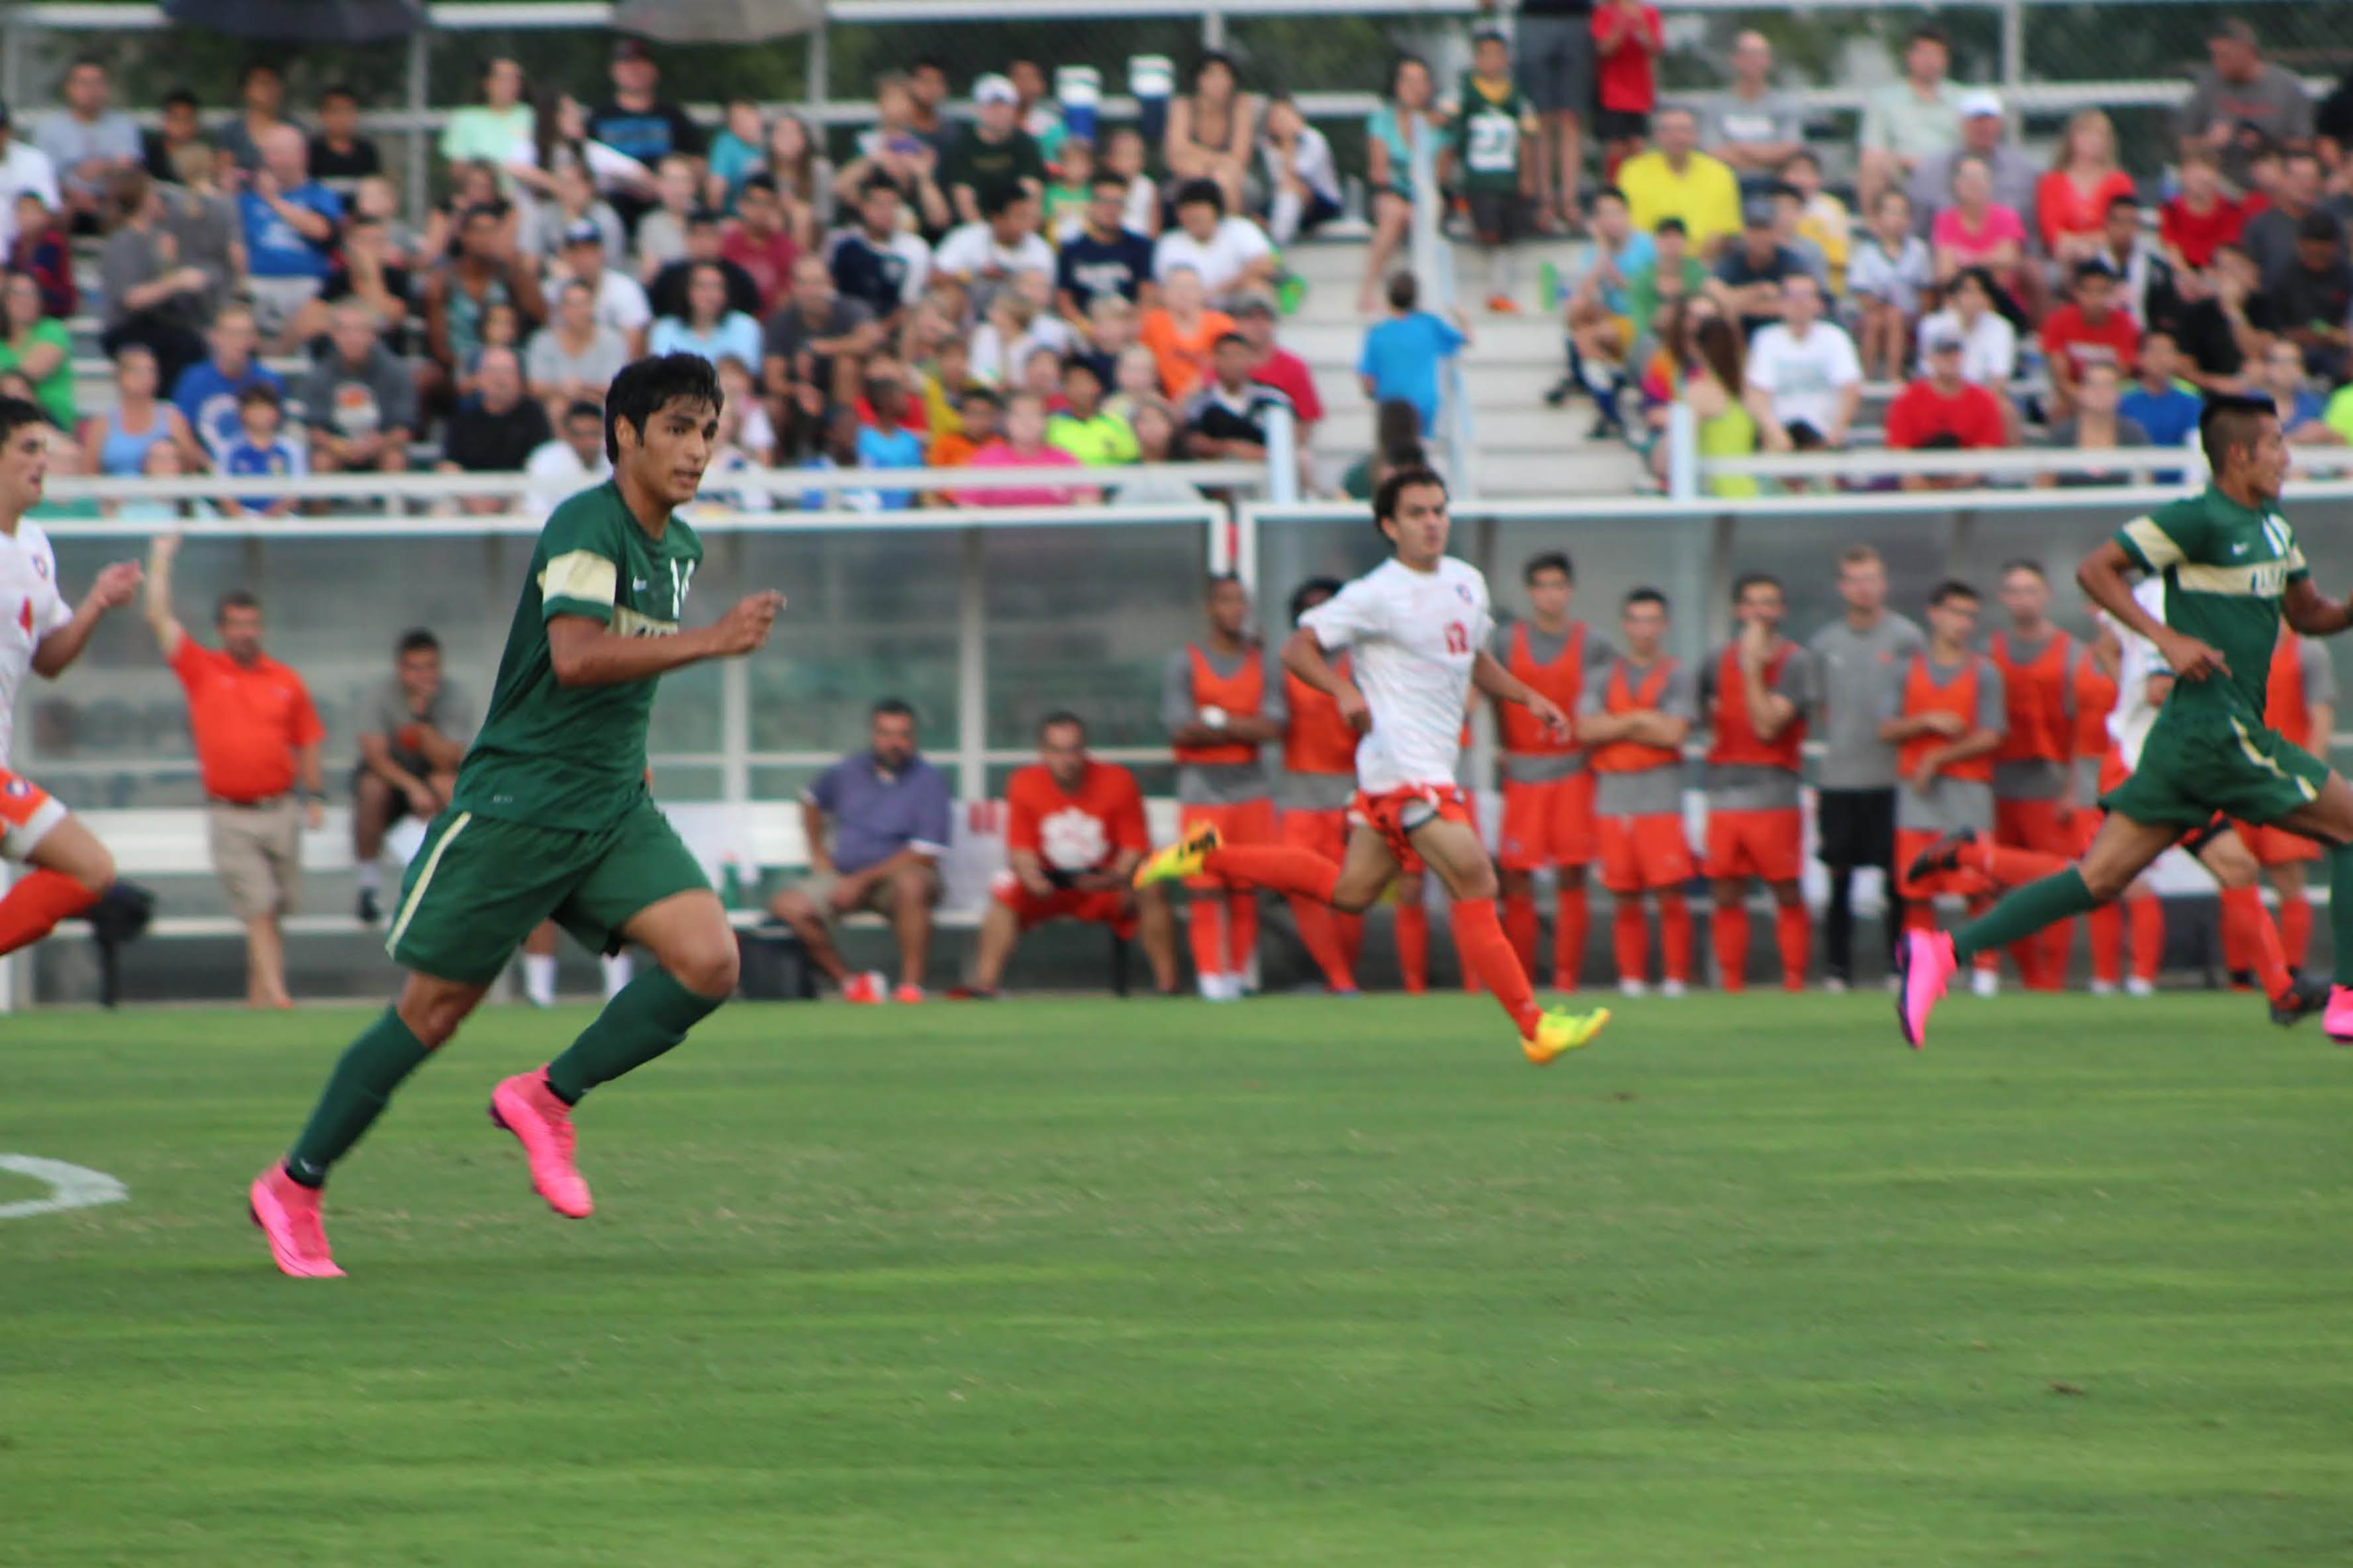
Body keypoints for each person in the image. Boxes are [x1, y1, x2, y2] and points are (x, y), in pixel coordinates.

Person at [247, 354, 785, 1280]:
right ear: (626, 433)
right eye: (678, 429)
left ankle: (546, 1095)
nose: (697, 449)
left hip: (610, 804)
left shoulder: (680, 547)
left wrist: (637, 752)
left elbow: (625, 674)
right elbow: (575, 657)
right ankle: (294, 1184)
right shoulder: (586, 521)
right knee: (433, 1014)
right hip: (518, 804)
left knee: (709, 959)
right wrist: (714, 642)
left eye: (708, 430)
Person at [1896, 395, 2353, 1045]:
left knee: (2098, 877)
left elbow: (2308, 615)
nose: (2286, 456)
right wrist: (2163, 636)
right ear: (2236, 454)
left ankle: (1939, 951)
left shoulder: (2274, 526)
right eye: (2275, 444)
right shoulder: (2195, 518)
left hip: (2186, 742)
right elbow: (2094, 569)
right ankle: (2344, 999)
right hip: (2217, 731)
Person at [1133, 469, 1609, 1059]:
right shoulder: (1374, 593)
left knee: (1350, 891)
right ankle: (1535, 1027)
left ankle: (1209, 853)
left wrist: (1525, 695)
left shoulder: (1466, 582)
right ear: (1389, 525)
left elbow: (1471, 656)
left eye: (1439, 509)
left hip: (1426, 765)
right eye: (1417, 512)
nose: (1432, 521)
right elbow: (1296, 647)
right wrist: (1342, 690)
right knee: (1476, 878)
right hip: (1401, 768)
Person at [143, 535, 323, 1009]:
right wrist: (160, 559)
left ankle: (258, 999)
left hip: (279, 806)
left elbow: (308, 738)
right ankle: (281, 997)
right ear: (222, 630)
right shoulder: (203, 669)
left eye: (253, 624)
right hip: (231, 812)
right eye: (237, 625)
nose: (246, 633)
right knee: (259, 906)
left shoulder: (285, 679)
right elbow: (159, 619)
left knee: (274, 910)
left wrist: (316, 795)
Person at [0, 397, 140, 967]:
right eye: (28, 449)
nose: (42, 462)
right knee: (88, 865)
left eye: (46, 450)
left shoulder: (33, 547)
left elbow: (49, 659)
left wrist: (98, 603)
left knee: (91, 869)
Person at [968, 711, 1180, 997]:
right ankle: (985, 987)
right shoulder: (1024, 782)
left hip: (1107, 881)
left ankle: (1168, 987)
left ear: (1085, 750)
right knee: (1005, 891)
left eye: (1074, 750)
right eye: (1057, 751)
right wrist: (1031, 877)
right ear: (1042, 753)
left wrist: (1117, 877)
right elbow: (1020, 849)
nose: (1067, 760)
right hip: (1053, 883)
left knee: (1151, 885)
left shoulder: (1118, 780)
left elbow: (1134, 848)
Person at [765, 698, 951, 1005]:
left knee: (913, 885)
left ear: (914, 738)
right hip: (844, 874)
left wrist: (861, 881)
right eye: (887, 734)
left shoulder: (929, 780)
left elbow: (926, 852)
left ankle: (910, 988)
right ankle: (853, 985)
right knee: (787, 906)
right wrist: (818, 853)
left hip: (899, 878)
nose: (895, 743)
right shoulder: (849, 771)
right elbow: (810, 799)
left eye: (903, 735)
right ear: (873, 735)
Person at [1492, 552, 1613, 989]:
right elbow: (1489, 695)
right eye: (1542, 585)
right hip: (1522, 772)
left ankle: (1567, 977)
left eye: (1558, 585)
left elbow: (1604, 701)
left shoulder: (1594, 643)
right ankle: (1521, 976)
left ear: (1570, 590)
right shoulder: (1506, 641)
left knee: (1571, 872)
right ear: (1530, 592)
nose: (1551, 594)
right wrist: (1495, 748)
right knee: (1517, 875)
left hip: (1572, 772)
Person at [1806, 545, 1924, 992]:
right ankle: (1837, 970)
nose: (1864, 587)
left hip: (1893, 779)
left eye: (1871, 577)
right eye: (1855, 578)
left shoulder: (1905, 638)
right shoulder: (1824, 644)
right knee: (1839, 877)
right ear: (1842, 587)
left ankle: (1898, 968)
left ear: (1884, 583)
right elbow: (1821, 707)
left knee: (1898, 878)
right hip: (1840, 778)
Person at [1882, 581, 2006, 1001]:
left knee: (1977, 887)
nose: (1963, 623)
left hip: (1968, 790)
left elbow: (1992, 734)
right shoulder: (1904, 669)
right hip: (1916, 793)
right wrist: (1928, 721)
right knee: (1917, 888)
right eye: (1955, 612)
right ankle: (1920, 969)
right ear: (1933, 613)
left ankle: (1985, 971)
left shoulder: (1984, 671)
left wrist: (1938, 758)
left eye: (1970, 615)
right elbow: (1886, 728)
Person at [1161, 577, 1283, 999]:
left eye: (1240, 601)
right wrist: (1239, 727)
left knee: (1247, 888)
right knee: (1204, 888)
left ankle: (1235, 976)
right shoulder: (1185, 662)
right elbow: (1181, 729)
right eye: (1225, 601)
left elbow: (1273, 726)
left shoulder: (1263, 663)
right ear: (1209, 608)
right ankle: (1211, 980)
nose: (1235, 610)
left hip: (1251, 790)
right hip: (1201, 792)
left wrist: (1214, 720)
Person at [1574, 587, 1695, 997]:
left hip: (1660, 794)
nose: (1644, 629)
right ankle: (1631, 979)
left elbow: (1674, 732)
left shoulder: (1678, 675)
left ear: (1664, 626)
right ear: (1625, 625)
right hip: (1614, 796)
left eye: (1652, 621)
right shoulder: (1602, 676)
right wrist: (1644, 719)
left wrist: (1620, 723)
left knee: (1669, 889)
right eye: (1636, 620)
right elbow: (1587, 729)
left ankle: (1676, 977)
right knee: (1623, 892)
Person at [1703, 573, 1815, 991]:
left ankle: (1794, 981)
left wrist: (1752, 669)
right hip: (1724, 792)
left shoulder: (1796, 662)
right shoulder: (1715, 660)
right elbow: (1706, 713)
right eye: (1751, 603)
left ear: (1781, 611)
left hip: (1775, 792)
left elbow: (1768, 725)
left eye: (1768, 603)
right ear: (1737, 610)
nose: (1759, 612)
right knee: (1726, 890)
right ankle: (1731, 983)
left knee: (1785, 889)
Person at [1274, 577, 1367, 993]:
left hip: (1349, 791)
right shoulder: (1287, 666)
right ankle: (1339, 977)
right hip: (1299, 794)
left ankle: (1344, 975)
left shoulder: (1360, 665)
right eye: (1311, 611)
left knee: (1348, 888)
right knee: (1301, 888)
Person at [2233, 624, 2337, 981]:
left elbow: (2320, 718)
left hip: (2284, 783)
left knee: (2288, 877)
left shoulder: (2308, 651)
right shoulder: (2233, 646)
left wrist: (2309, 779)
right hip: (2237, 782)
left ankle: (2291, 972)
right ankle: (2240, 976)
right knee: (2234, 876)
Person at [350, 629, 473, 925]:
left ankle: (462, 880)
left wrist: (421, 724)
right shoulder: (380, 696)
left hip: (433, 779)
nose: (424, 676)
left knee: (449, 786)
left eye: (430, 667)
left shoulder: (454, 696)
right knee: (371, 788)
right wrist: (412, 787)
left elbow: (449, 759)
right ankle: (368, 884)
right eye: (415, 668)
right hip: (392, 782)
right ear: (400, 669)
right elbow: (375, 755)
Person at [95, 168, 214, 392]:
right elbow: (131, 299)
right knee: (185, 346)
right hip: (128, 326)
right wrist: (177, 280)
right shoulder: (122, 242)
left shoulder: (159, 238)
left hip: (160, 323)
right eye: (152, 194)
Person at [1452, 29, 1541, 312]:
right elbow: (1446, 122)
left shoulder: (1517, 94)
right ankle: (1461, 211)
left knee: (1507, 233)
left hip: (1507, 176)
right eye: (1485, 54)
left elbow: (1528, 137)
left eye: (1497, 54)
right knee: (1488, 230)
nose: (1492, 61)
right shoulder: (1464, 90)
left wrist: (1527, 176)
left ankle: (1499, 291)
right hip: (1478, 176)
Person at [2178, 19, 2313, 193]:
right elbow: (2184, 143)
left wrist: (2264, 143)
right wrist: (2209, 142)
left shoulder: (2286, 86)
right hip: (2222, 181)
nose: (2217, 62)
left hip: (2276, 178)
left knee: (2297, 169)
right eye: (2214, 55)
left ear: (2248, 52)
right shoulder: (2208, 86)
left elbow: (2304, 144)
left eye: (2225, 56)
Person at [239, 124, 342, 344]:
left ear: (301, 156)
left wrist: (274, 201)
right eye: (269, 153)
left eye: (280, 153)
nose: (273, 160)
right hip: (257, 286)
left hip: (307, 287)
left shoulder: (319, 194)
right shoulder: (246, 199)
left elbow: (321, 231)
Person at [587, 38, 704, 228]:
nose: (635, 70)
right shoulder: (599, 117)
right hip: (613, 211)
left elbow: (698, 162)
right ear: (614, 71)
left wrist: (670, 185)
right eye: (627, 64)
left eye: (641, 63)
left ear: (654, 70)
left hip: (666, 211)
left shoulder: (672, 116)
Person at [1742, 272, 1860, 454]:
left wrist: (1836, 431)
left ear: (1818, 303)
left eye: (1806, 296)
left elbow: (1850, 388)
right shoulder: (1766, 339)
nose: (1799, 303)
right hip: (1779, 439)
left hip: (1824, 438)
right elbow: (1757, 394)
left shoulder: (1835, 338)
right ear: (1781, 302)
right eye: (1792, 296)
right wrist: (1778, 437)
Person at [1359, 56, 1443, 313]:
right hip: (1392, 191)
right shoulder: (1382, 120)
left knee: (1422, 213)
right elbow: (1379, 172)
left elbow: (1441, 174)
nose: (1414, 87)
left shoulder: (1440, 125)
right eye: (1408, 80)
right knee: (1396, 213)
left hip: (1426, 193)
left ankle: (1423, 294)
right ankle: (1368, 286)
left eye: (1421, 81)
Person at [300, 301, 416, 480]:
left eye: (359, 330)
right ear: (333, 335)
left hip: (381, 447)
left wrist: (376, 445)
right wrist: (341, 447)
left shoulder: (396, 371)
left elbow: (403, 430)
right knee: (320, 462)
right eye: (344, 330)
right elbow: (315, 429)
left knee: (394, 460)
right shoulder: (320, 373)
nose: (352, 337)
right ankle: (317, 509)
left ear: (372, 335)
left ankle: (396, 509)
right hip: (336, 449)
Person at [1857, 23, 1963, 215]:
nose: (1929, 61)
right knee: (1872, 165)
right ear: (1909, 57)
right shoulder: (1885, 100)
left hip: (1949, 176)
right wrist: (1901, 162)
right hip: (1903, 175)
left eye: (1936, 55)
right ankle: (1874, 228)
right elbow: (1872, 149)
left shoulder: (1961, 99)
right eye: (1923, 54)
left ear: (1946, 60)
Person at [1886, 324, 2008, 486]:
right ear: (1931, 358)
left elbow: (1986, 451)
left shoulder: (1983, 399)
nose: (1952, 359)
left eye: (1956, 353)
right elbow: (1900, 450)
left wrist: (1957, 483)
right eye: (1944, 353)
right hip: (1917, 483)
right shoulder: (1908, 399)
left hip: (1969, 484)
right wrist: (1921, 483)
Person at [1909, 92, 2039, 242]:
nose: (1984, 128)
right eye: (1977, 121)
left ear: (2000, 124)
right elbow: (1919, 228)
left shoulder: (2022, 170)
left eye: (1990, 121)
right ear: (1962, 124)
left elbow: (2031, 226)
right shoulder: (1932, 170)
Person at [764, 254, 883, 416]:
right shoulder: (781, 321)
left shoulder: (849, 308)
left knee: (847, 364)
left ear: (830, 284)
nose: (810, 291)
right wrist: (798, 390)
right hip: (799, 396)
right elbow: (773, 380)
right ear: (793, 287)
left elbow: (872, 339)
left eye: (816, 283)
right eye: (802, 283)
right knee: (773, 405)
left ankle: (843, 426)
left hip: (846, 391)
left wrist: (815, 348)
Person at [1515, 0, 1596, 232]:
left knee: (1571, 118)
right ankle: (1545, 201)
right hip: (1534, 17)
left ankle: (1570, 201)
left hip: (1577, 17)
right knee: (1542, 118)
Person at [438, 347, 551, 514]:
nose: (499, 379)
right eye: (492, 371)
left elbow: (541, 465)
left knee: (531, 509)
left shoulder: (534, 416)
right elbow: (449, 465)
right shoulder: (463, 414)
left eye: (507, 372)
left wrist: (503, 497)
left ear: (519, 379)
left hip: (517, 494)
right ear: (479, 378)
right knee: (442, 511)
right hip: (469, 495)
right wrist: (473, 499)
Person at [1617, 107, 1741, 259]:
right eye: (1668, 130)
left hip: (1705, 264)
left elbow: (1724, 232)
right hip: (1648, 263)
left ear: (1696, 136)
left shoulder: (1720, 173)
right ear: (1657, 136)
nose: (1677, 137)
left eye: (1684, 130)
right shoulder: (1633, 172)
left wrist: (1692, 269)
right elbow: (1631, 230)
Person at [1358, 271, 1466, 437]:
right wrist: (1462, 317)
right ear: (1416, 297)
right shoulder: (1429, 324)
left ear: (1388, 297)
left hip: (1391, 404)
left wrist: (1375, 397)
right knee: (1419, 451)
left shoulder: (1377, 332)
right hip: (1423, 403)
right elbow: (1464, 339)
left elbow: (1368, 381)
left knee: (1393, 454)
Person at [36, 57, 138, 233]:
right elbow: (45, 175)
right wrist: (74, 196)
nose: (92, 90)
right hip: (68, 200)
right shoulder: (50, 129)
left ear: (106, 88)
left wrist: (105, 167)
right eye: (84, 83)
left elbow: (130, 166)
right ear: (69, 88)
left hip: (111, 200)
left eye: (97, 83)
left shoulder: (123, 125)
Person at [172, 305, 281, 460]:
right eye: (231, 334)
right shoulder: (195, 379)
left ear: (253, 339)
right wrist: (206, 464)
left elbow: (277, 431)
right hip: (205, 472)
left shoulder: (268, 380)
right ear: (215, 337)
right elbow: (179, 426)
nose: (238, 341)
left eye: (245, 334)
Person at [2041, 260, 2143, 419]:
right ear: (2076, 292)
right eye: (2088, 292)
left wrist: (2100, 397)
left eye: (2102, 292)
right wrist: (2086, 398)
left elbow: (2123, 372)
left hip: (2112, 394)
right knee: (2059, 406)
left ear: (2111, 293)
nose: (2095, 299)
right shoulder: (2058, 321)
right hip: (2072, 395)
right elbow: (2061, 378)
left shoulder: (2125, 324)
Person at [1849, 188, 1933, 381]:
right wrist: (1883, 308)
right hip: (1874, 314)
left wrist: (1917, 318)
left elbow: (1926, 293)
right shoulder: (1865, 252)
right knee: (1876, 321)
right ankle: (1867, 377)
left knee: (1896, 317)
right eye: (1890, 212)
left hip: (1909, 317)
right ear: (1878, 218)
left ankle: (1893, 376)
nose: (1895, 219)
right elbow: (1863, 296)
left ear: (1909, 219)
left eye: (1901, 213)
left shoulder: (1919, 251)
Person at [2037, 109, 2135, 270]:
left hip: (2108, 256)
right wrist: (2077, 247)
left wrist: (2092, 245)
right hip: (2063, 258)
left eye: (2099, 136)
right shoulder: (2051, 182)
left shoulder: (2120, 182)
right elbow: (2051, 232)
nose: (2092, 141)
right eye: (2086, 134)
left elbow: (2122, 227)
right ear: (2072, 139)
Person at [1705, 32, 1804, 192]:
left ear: (1769, 61)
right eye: (1747, 54)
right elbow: (1713, 152)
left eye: (1760, 54)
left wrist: (1739, 147)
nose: (1754, 60)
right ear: (1734, 59)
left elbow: (1790, 149)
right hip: (1725, 186)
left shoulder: (1785, 104)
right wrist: (1767, 158)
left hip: (1775, 188)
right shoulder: (1716, 105)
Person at [943, 73, 1045, 228]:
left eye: (1004, 105)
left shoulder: (1026, 144)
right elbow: (964, 199)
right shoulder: (962, 146)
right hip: (975, 229)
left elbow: (1031, 193)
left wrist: (1022, 229)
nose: (999, 112)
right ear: (979, 109)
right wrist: (985, 235)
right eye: (992, 106)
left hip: (1017, 227)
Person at [830, 175, 931, 330]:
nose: (886, 212)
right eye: (878, 205)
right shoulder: (845, 245)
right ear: (864, 207)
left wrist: (879, 331)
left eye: (892, 205)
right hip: (846, 325)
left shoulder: (915, 249)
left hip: (892, 329)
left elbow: (908, 305)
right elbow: (834, 295)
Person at [524, 278, 630, 425]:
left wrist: (582, 389)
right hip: (558, 403)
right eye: (573, 305)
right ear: (561, 309)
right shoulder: (543, 341)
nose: (579, 311)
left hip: (599, 403)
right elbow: (535, 386)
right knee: (556, 407)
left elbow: (617, 386)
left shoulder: (612, 340)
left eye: (584, 304)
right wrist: (562, 390)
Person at [1151, 178, 1274, 301]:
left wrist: (1220, 290)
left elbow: (1265, 265)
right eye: (1187, 214)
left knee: (1258, 287)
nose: (1193, 218)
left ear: (1215, 210)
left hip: (1236, 303)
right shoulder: (1169, 243)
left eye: (1198, 214)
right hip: (1193, 309)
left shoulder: (1240, 228)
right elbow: (1162, 287)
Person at [81, 344, 195, 478]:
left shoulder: (171, 416)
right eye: (137, 371)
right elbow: (89, 471)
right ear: (120, 375)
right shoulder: (103, 422)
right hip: (114, 496)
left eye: (150, 371)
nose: (145, 377)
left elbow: (190, 465)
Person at [1056, 171, 1155, 322]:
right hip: (1084, 329)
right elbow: (1064, 300)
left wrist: (1130, 327)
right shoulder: (1071, 249)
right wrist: (1087, 329)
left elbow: (1147, 297)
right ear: (1091, 204)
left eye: (1117, 202)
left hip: (1126, 327)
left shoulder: (1140, 246)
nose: (1111, 209)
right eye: (1104, 201)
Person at [2042, 360, 2152, 487]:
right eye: (2093, 385)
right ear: (2081, 391)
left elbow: (2146, 482)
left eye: (2108, 385)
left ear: (2118, 394)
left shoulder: (2134, 435)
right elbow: (2045, 486)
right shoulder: (2061, 435)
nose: (2100, 392)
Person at [1711, 195, 1809, 339]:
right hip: (1740, 332)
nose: (1759, 237)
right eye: (1754, 229)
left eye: (1765, 229)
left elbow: (1800, 304)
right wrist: (1760, 290)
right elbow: (1716, 292)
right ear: (1745, 232)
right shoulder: (1733, 259)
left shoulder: (1791, 260)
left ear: (1775, 231)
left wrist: (1741, 305)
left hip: (1782, 332)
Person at [1185, 332, 1292, 463]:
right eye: (1225, 356)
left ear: (1251, 359)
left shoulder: (1272, 398)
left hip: (1269, 466)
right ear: (1214, 360)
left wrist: (1259, 453)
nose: (1232, 362)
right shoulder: (1201, 403)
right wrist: (1229, 448)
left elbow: (1291, 435)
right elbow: (1194, 441)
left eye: (1239, 355)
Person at [2272, 211, 2353, 381]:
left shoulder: (2347, 275)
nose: (2319, 257)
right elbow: (2273, 327)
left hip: (2339, 350)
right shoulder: (2282, 277)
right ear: (2300, 245)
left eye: (2325, 251)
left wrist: (2337, 335)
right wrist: (2303, 336)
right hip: (2294, 350)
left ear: (2336, 246)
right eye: (2313, 251)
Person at [1590, 0, 1662, 181]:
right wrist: (1620, 27)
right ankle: (1613, 188)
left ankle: (1637, 187)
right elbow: (1603, 49)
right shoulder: (1604, 13)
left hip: (1640, 93)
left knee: (1637, 145)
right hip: (1613, 93)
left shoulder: (1649, 13)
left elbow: (1654, 47)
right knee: (1615, 146)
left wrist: (1639, 26)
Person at [1258, 93, 1341, 248]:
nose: (1280, 122)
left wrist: (1289, 143)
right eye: (1275, 117)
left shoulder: (1314, 140)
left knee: (1293, 191)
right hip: (1283, 198)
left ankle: (1279, 246)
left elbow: (1296, 177)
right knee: (1258, 216)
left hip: (1322, 202)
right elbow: (1280, 181)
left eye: (1284, 115)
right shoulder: (1268, 146)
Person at [1915, 265, 2017, 390]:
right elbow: (1928, 374)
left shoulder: (2001, 327)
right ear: (1955, 296)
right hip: (1943, 394)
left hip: (1983, 398)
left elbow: (1999, 378)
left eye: (1980, 292)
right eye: (1968, 292)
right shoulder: (1932, 325)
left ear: (1987, 298)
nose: (1973, 298)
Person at [649, 260, 763, 370]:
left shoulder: (745, 327)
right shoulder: (665, 329)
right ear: (687, 291)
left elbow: (747, 376)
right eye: (703, 287)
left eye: (718, 287)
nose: (711, 295)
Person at [440, 57, 536, 185]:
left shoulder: (528, 114)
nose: (510, 85)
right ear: (487, 83)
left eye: (515, 79)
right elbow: (457, 170)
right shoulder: (465, 118)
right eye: (504, 78)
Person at [218, 383, 305, 519]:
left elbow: (294, 495)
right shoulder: (229, 450)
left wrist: (267, 521)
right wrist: (244, 522)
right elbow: (224, 495)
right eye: (254, 407)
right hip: (240, 523)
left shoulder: (290, 450)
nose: (260, 413)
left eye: (265, 407)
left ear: (276, 413)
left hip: (282, 520)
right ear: (243, 413)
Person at [2160, 148, 2250, 273]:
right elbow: (2173, 251)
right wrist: (2188, 277)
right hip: (2183, 274)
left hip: (2218, 274)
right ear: (2183, 175)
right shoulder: (2171, 210)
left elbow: (2227, 254)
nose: (2203, 180)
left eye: (2208, 176)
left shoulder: (2231, 211)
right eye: (2196, 176)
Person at [0, 269, 69, 431]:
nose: (26, 300)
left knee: (14, 386)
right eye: (18, 294)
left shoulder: (52, 329)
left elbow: (32, 371)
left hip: (50, 422)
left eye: (31, 294)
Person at [524, 397, 612, 522]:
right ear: (567, 434)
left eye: (593, 433)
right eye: (579, 434)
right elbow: (536, 507)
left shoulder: (616, 458)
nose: (587, 442)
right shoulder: (545, 459)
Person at [2121, 330, 2205, 451]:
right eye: (2153, 352)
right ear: (2139, 358)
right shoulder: (2123, 397)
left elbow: (2195, 441)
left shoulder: (2191, 398)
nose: (2160, 359)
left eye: (2167, 352)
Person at [1045, 356, 1136, 466]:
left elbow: (1131, 463)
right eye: (1074, 383)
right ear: (1064, 389)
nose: (1081, 389)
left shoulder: (1116, 424)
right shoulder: (1050, 426)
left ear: (1098, 386)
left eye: (1085, 382)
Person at [307, 85, 381, 206]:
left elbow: (373, 187)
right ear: (323, 115)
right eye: (334, 111)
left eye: (347, 111)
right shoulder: (311, 150)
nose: (341, 118)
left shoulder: (366, 150)